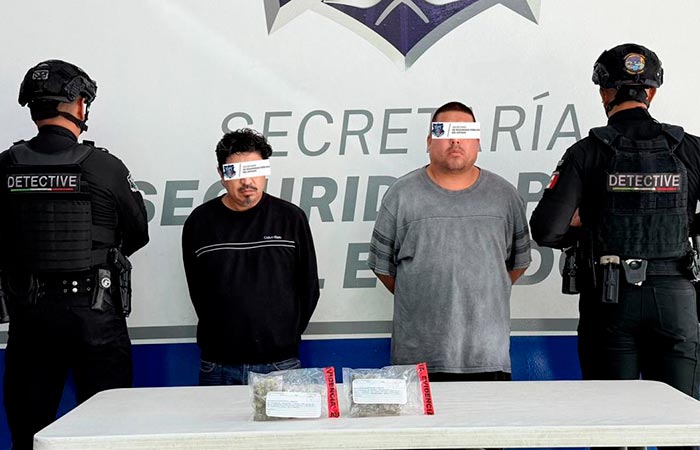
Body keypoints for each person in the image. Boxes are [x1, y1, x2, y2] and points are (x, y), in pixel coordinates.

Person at [530, 43, 700, 411]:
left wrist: (591, 221)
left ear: (605, 93)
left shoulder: (586, 152)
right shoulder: (690, 148)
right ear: (651, 93)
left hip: (609, 299)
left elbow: (546, 230)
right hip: (676, 298)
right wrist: (684, 221)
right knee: (680, 420)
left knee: (612, 421)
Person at [0, 60, 149, 450]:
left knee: (29, 436)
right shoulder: (104, 166)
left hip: (29, 318)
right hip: (95, 315)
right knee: (107, 436)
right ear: (79, 104)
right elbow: (137, 233)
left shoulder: (5, 166)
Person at [367, 101, 532, 381]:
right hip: (417, 360)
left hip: (487, 357)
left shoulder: (505, 196)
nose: (455, 140)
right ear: (429, 141)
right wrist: (423, 294)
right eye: (444, 131)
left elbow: (518, 263)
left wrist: (486, 291)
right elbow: (383, 267)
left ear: (478, 141)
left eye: (464, 132)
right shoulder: (401, 195)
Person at [182, 128, 320, 385]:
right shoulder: (199, 223)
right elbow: (197, 290)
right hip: (218, 366)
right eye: (236, 173)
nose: (247, 182)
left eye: (255, 170)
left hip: (280, 364)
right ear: (222, 175)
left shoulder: (291, 219)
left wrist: (282, 338)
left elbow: (308, 287)